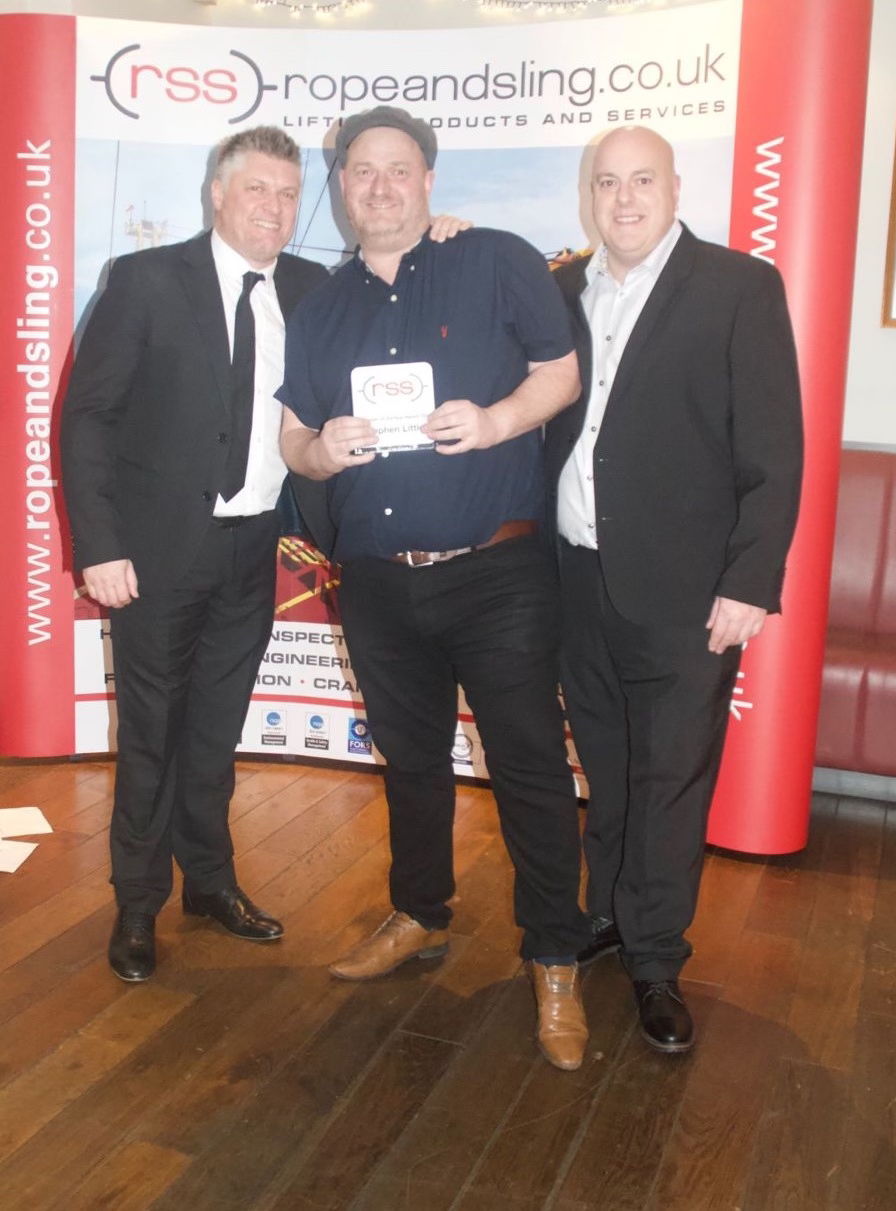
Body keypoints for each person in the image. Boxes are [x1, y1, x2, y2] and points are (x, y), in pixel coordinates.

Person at [279, 105, 591, 1071]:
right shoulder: (322, 302)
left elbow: (562, 371)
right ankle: (418, 911)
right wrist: (318, 454)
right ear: (340, 185)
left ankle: (552, 954)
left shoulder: (492, 256)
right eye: (360, 170)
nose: (379, 186)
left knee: (530, 768)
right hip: (374, 580)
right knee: (409, 762)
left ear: (428, 180)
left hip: (495, 570)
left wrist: (497, 422)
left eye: (398, 169)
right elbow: (293, 430)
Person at [546, 126, 803, 1053]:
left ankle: (655, 957)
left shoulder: (738, 287)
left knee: (669, 782)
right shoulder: (558, 288)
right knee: (608, 770)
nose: (622, 198)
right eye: (605, 182)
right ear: (587, 194)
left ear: (673, 186)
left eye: (640, 180)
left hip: (688, 592)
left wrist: (749, 582)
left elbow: (774, 454)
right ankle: (610, 913)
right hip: (574, 576)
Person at [61, 127, 330, 982]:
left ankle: (208, 883)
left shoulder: (312, 286)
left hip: (254, 550)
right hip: (153, 556)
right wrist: (98, 545)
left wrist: (446, 232)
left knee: (215, 733)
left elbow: (392, 294)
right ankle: (137, 904)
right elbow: (87, 419)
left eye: (289, 194)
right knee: (151, 734)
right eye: (258, 189)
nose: (275, 209)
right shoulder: (145, 280)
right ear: (217, 193)